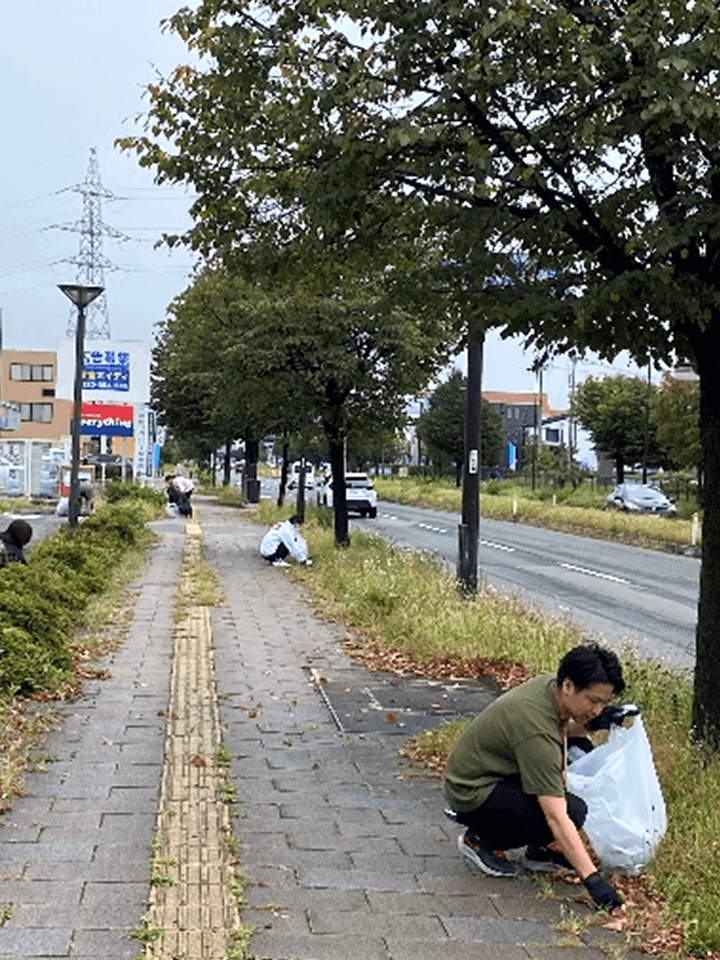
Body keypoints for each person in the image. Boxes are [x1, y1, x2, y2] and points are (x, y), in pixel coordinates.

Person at [444, 643, 625, 911]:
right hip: (472, 790)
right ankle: (481, 840)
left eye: (604, 703)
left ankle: (541, 849)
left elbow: (564, 726)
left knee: (580, 760)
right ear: (568, 686)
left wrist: (594, 723)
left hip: (497, 773)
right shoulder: (535, 728)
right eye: (593, 701)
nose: (597, 709)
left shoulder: (549, 687)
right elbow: (556, 815)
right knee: (570, 811)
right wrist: (593, 881)